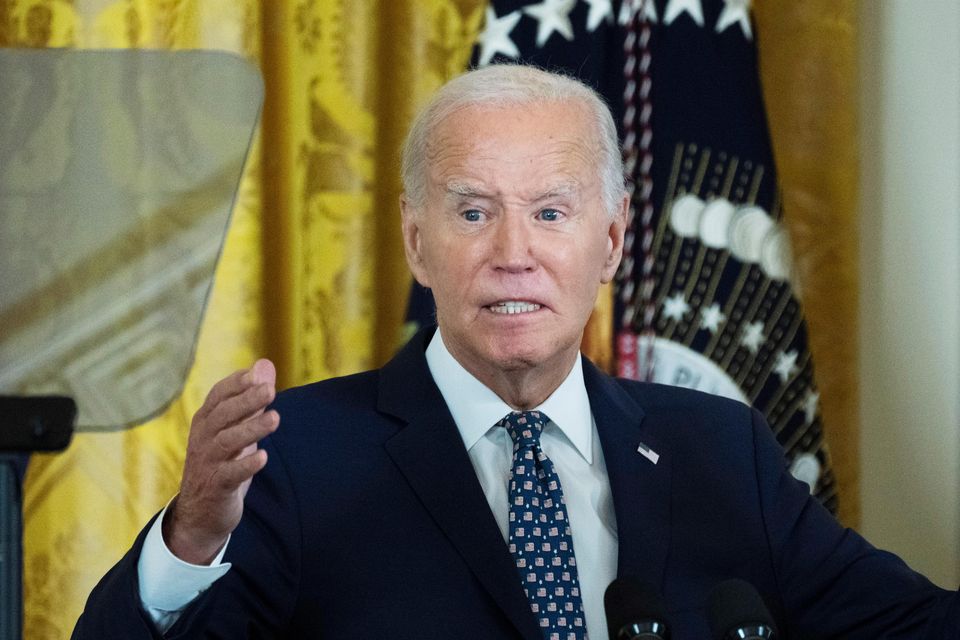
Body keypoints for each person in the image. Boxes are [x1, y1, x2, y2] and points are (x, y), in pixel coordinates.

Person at [74, 64, 957, 640]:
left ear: (610, 242)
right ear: (417, 244)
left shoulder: (720, 451)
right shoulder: (297, 455)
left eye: (549, 211)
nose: (512, 252)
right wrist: (189, 538)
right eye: (471, 212)